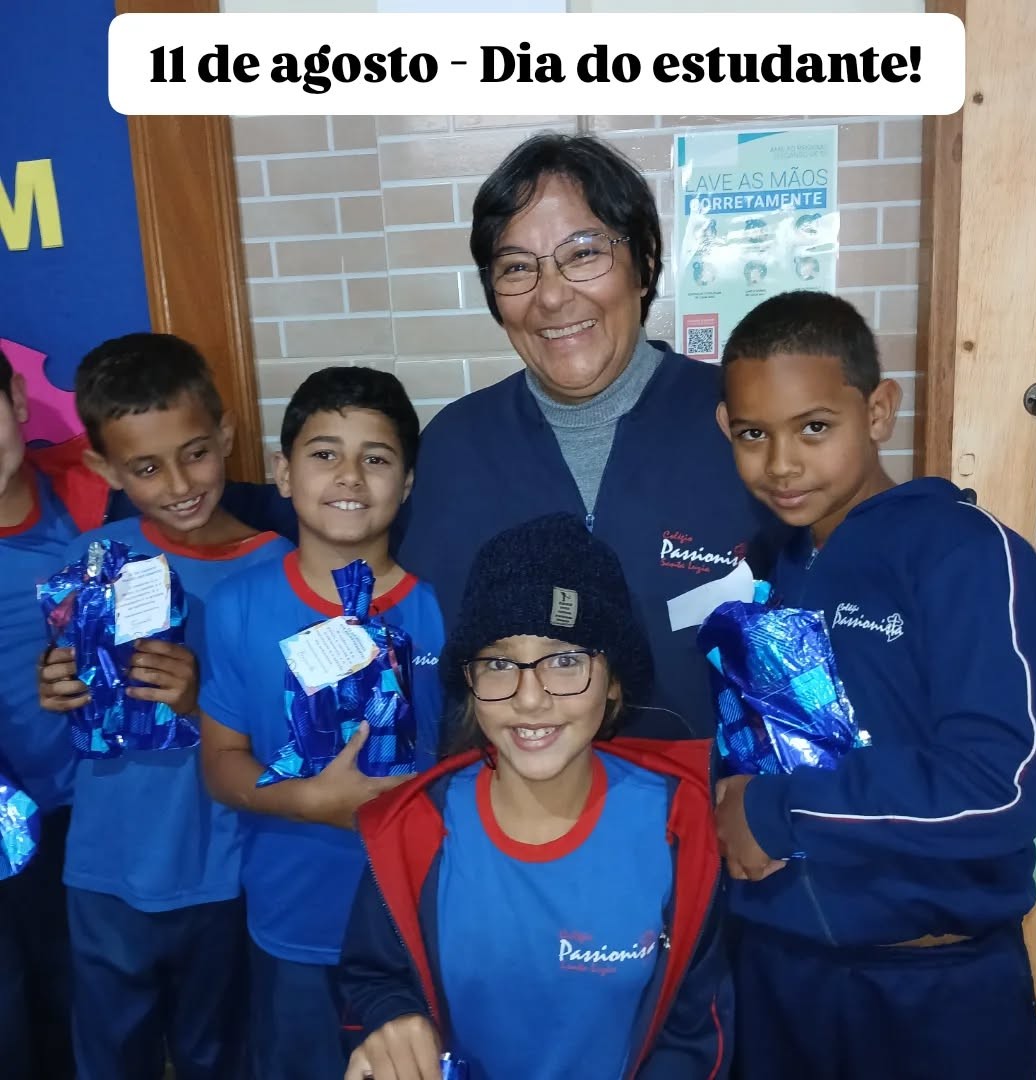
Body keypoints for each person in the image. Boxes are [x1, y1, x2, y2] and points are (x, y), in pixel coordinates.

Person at [713, 290, 1036, 1080]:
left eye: (814, 427)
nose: (782, 463)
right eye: (753, 434)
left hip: (933, 991)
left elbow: (1000, 788)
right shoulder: (771, 567)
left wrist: (776, 812)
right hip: (775, 976)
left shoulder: (968, 555)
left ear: (878, 411)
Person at [395, 132, 780, 739]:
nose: (551, 295)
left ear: (644, 264)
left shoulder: (740, 422)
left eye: (583, 254)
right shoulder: (454, 449)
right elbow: (423, 664)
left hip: (713, 793)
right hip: (510, 797)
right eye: (517, 267)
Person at [338, 513, 729, 1080]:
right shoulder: (408, 833)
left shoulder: (683, 826)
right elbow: (372, 980)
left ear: (614, 681)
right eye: (499, 664)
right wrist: (391, 1019)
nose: (528, 697)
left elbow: (696, 1031)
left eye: (565, 661)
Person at [36, 332, 293, 1080]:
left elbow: (291, 739)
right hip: (102, 868)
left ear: (226, 435)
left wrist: (199, 702)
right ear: (105, 469)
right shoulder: (89, 563)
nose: (180, 483)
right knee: (109, 1057)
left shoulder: (281, 572)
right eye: (146, 468)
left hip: (224, 871)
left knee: (217, 1055)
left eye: (195, 453)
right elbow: (72, 698)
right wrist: (56, 687)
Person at [198, 366, 445, 1080]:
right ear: (283, 473)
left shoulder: (439, 606)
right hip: (293, 918)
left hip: (416, 919)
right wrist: (308, 800)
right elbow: (221, 761)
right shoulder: (239, 605)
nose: (349, 476)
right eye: (324, 453)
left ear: (407, 483)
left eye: (377, 458)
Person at [0, 345, 109, 1079]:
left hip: (92, 816)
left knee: (79, 1013)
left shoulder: (91, 492)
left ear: (16, 399)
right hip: (11, 822)